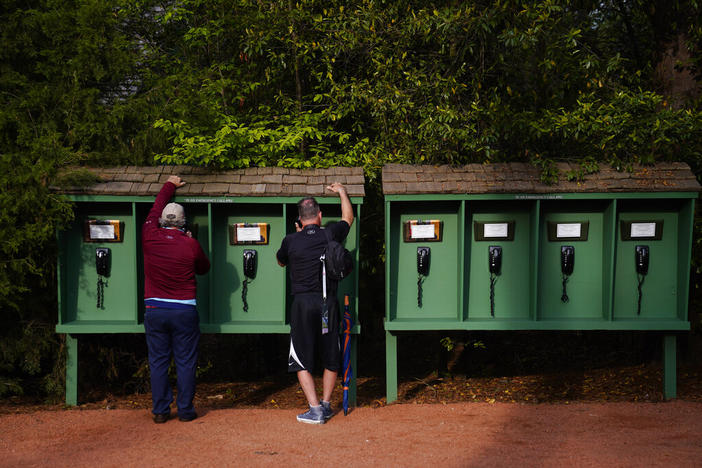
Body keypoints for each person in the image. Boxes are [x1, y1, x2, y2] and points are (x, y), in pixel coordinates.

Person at [276, 183, 354, 424]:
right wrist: (342, 191)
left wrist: (298, 236)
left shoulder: (290, 240)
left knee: (300, 356)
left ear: (299, 219)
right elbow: (348, 217)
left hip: (301, 305)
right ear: (319, 216)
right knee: (331, 352)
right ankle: (327, 404)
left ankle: (314, 408)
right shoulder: (330, 233)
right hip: (326, 304)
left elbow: (280, 262)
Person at [142, 175, 210, 424]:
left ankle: (160, 411)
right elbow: (204, 268)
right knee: (185, 361)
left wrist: (169, 185)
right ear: (184, 223)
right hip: (184, 310)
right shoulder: (190, 244)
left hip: (155, 308)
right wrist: (191, 240)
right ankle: (185, 410)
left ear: (161, 222)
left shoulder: (149, 233)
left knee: (158, 361)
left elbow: (155, 207)